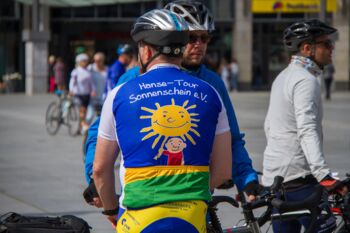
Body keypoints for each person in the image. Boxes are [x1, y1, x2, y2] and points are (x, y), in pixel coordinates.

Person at [84, 0, 260, 207]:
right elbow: (99, 133)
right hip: (142, 197)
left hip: (193, 199)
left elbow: (231, 138)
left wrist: (247, 180)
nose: (199, 45)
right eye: (191, 37)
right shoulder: (133, 79)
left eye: (205, 38)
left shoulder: (212, 82)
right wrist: (93, 178)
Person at [93, 8, 232, 232]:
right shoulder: (210, 92)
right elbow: (224, 171)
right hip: (192, 217)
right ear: (181, 49)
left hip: (138, 217)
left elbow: (100, 168)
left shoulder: (119, 94)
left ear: (146, 51)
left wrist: (111, 210)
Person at [262, 19, 348, 233]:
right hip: (300, 180)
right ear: (307, 48)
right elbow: (306, 128)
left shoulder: (283, 77)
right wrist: (323, 175)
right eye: (326, 43)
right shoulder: (305, 80)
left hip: (276, 180)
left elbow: (269, 126)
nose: (332, 48)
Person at [69, 53, 96, 133]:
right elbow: (72, 82)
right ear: (79, 62)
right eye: (83, 61)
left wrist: (93, 90)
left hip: (86, 94)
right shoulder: (76, 71)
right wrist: (71, 90)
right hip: (78, 94)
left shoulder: (88, 71)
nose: (85, 63)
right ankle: (84, 125)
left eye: (86, 61)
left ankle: (80, 128)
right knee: (82, 110)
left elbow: (91, 82)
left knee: (85, 111)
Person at [87, 52, 108, 119]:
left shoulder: (107, 69)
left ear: (103, 60)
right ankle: (83, 129)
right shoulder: (90, 68)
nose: (96, 62)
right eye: (95, 60)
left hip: (103, 97)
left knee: (102, 117)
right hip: (92, 97)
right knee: (89, 116)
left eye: (98, 61)